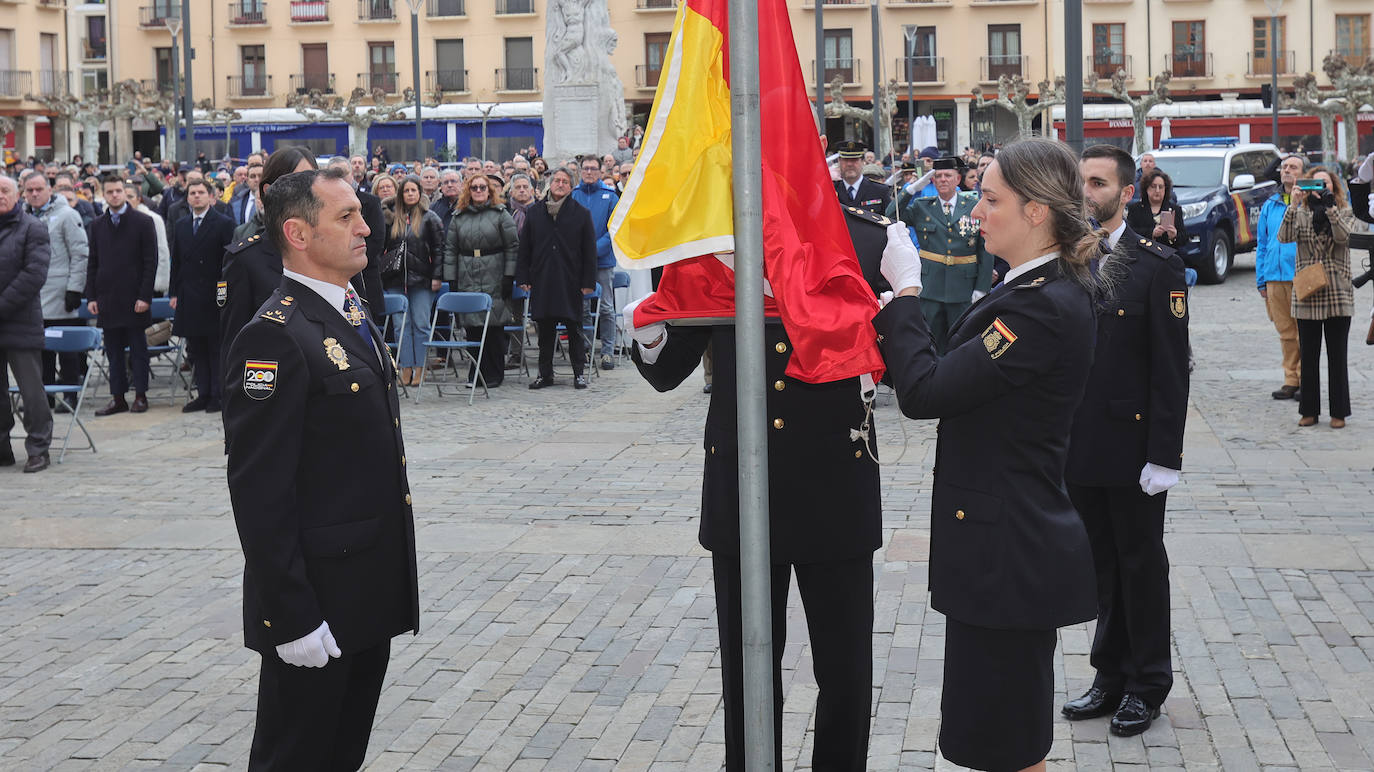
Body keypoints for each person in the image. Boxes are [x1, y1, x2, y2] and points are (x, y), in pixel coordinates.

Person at [873, 137, 1102, 772]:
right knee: (1000, 736)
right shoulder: (1035, 290)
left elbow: (927, 392)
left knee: (1007, 744)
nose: (976, 211)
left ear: (1036, 212)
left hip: (1006, 552)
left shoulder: (1040, 308)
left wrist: (909, 294)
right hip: (1002, 548)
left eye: (991, 198)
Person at [626, 242, 882, 769]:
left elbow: (899, 368)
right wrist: (649, 323)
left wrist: (903, 298)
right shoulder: (717, 245)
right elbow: (668, 370)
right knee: (747, 667)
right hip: (742, 484)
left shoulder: (859, 238)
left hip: (833, 482)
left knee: (844, 667)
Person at [222, 166, 418, 770]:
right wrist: (292, 615)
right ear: (298, 234)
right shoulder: (276, 335)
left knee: (341, 755)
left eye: (361, 213)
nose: (366, 228)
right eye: (346, 217)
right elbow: (260, 491)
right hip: (318, 603)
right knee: (295, 757)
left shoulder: (347, 310)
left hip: (365, 592)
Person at [1062, 145, 1189, 738]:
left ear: (1125, 192)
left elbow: (1171, 369)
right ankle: (1109, 674)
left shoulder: (1156, 265)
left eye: (1097, 182)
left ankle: (1147, 683)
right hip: (1080, 445)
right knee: (1100, 568)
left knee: (1140, 565)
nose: (1087, 192)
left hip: (1134, 449)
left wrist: (1165, 455)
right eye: (1081, 182)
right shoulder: (1068, 260)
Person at [220, 148, 319, 364]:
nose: (309, 189)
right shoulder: (246, 259)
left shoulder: (330, 250)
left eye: (313, 179)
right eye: (298, 180)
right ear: (269, 190)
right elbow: (234, 345)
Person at [1280, 167, 1357, 429]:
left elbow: (1345, 238)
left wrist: (1331, 209)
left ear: (1334, 188)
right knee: (1309, 356)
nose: (1320, 189)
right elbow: (1284, 237)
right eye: (1316, 184)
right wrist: (1294, 202)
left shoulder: (1344, 211)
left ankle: (1339, 412)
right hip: (1308, 291)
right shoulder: (1300, 212)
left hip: (1337, 290)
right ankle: (1309, 411)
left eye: (1325, 184)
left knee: (1338, 356)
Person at [901, 157, 993, 354]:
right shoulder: (922, 206)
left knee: (962, 341)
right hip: (931, 286)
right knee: (929, 340)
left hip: (963, 287)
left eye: (948, 175)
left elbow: (984, 249)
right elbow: (892, 214)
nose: (943, 179)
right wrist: (909, 190)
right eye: (938, 176)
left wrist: (982, 288)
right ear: (932, 181)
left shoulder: (973, 206)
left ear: (958, 178)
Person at [516, 168, 596, 390]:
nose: (560, 184)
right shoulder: (534, 212)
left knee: (574, 331)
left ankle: (579, 373)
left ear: (571, 187)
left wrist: (588, 282)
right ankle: (545, 374)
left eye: (565, 181)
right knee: (545, 332)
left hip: (571, 281)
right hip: (543, 280)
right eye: (557, 181)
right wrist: (523, 276)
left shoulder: (581, 213)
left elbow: (589, 251)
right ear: (550, 184)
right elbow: (525, 249)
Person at [86, 173, 158, 416]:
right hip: (107, 298)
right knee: (113, 352)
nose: (115, 195)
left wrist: (144, 296)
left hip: (135, 297)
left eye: (118, 191)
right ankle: (118, 397)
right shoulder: (96, 225)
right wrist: (92, 297)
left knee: (138, 350)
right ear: (103, 194)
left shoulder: (142, 222)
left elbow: (151, 262)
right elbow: (93, 262)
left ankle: (140, 395)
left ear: (125, 193)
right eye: (110, 192)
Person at [442, 174, 519, 388]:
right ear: (468, 190)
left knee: (494, 327)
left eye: (482, 187)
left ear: (489, 190)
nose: (478, 190)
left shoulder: (501, 214)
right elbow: (450, 249)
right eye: (474, 187)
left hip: (494, 272)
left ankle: (495, 373)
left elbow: (513, 246)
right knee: (472, 326)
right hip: (467, 272)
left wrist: (508, 275)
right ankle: (475, 372)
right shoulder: (459, 216)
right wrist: (451, 279)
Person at [0, 175, 55, 473]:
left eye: (5, 190)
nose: (0, 196)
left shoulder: (32, 228)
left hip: (21, 322)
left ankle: (38, 447)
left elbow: (34, 274)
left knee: (31, 392)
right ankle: (2, 449)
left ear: (17, 194)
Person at [169, 178, 236, 413]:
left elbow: (230, 263)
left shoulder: (223, 223)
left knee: (215, 349)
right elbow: (176, 261)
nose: (196, 196)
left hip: (213, 294)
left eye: (200, 192)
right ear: (187, 198)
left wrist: (225, 293)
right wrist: (174, 292)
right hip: (189, 295)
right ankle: (203, 393)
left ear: (211, 196)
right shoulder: (182, 224)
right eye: (192, 193)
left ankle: (218, 395)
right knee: (196, 349)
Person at [21, 172, 88, 399]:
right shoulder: (21, 216)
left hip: (60, 292)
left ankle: (70, 394)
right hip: (32, 294)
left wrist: (75, 288)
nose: (35, 194)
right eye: (30, 190)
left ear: (50, 190)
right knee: (40, 350)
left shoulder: (67, 215)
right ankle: (44, 396)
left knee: (64, 347)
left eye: (39, 189)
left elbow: (80, 254)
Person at [381, 175, 444, 387]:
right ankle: (405, 366)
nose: (410, 194)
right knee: (401, 326)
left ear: (419, 193)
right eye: (406, 191)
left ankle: (420, 367)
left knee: (421, 324)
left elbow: (439, 250)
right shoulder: (392, 218)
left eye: (413, 190)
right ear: (401, 194)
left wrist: (437, 276)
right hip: (397, 280)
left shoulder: (430, 218)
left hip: (422, 280)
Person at [1254, 155, 1305, 400]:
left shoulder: (1308, 202)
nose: (1287, 170)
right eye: (1284, 166)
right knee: (1285, 331)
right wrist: (1261, 279)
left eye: (1293, 167)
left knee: (1303, 330)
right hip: (1274, 277)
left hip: (1300, 275)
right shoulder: (1270, 204)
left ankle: (1306, 378)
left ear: (1303, 174)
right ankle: (1290, 379)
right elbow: (1262, 244)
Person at [570, 156, 621, 370]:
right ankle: (587, 348)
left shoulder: (609, 197)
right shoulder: (574, 196)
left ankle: (607, 351)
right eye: (586, 169)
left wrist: (592, 249)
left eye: (593, 169)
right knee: (581, 306)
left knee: (606, 307)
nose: (589, 172)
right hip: (578, 261)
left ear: (600, 171)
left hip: (602, 260)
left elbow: (614, 229)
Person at [1125, 169, 1187, 252]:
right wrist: (1151, 233)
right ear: (1146, 188)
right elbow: (1130, 234)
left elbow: (1184, 238)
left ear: (1166, 189)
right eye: (1153, 186)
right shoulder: (1135, 209)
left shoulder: (1175, 209)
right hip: (1143, 254)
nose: (1157, 190)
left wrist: (1174, 236)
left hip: (1168, 256)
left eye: (1161, 187)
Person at [833, 140, 892, 215]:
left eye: (854, 160)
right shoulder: (830, 190)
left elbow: (889, 219)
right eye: (845, 160)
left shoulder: (879, 191)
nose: (849, 164)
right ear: (839, 161)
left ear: (863, 162)